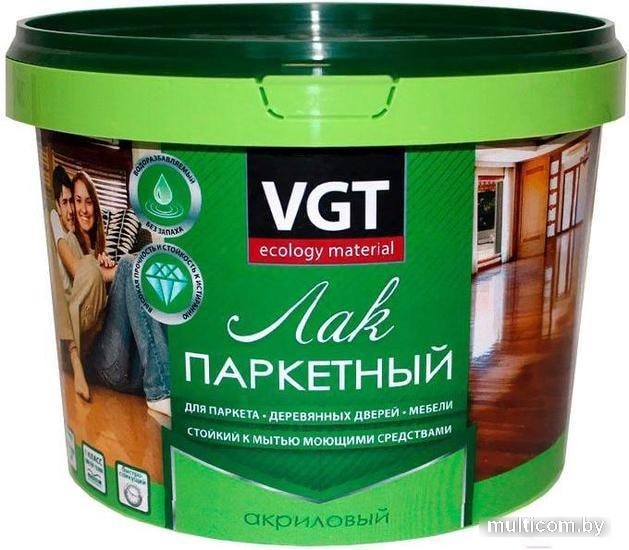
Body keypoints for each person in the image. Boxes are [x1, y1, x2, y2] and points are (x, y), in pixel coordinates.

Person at [55, 169, 171, 415]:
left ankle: (165, 378)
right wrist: (113, 273)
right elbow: (80, 279)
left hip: (133, 365)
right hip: (104, 364)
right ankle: (160, 391)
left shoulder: (104, 248)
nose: (83, 209)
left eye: (89, 201)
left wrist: (114, 274)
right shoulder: (67, 243)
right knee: (130, 265)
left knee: (144, 261)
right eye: (77, 201)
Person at [49, 165, 99, 401]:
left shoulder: (79, 235)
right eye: (66, 203)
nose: (71, 210)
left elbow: (83, 273)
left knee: (84, 261)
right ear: (57, 206)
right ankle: (73, 355)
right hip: (68, 321)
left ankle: (74, 355)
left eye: (73, 202)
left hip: (85, 320)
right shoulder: (56, 224)